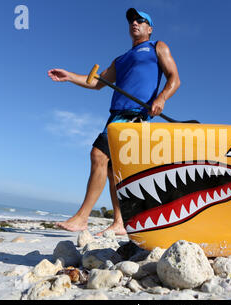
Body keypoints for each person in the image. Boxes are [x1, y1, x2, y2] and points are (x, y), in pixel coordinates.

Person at [47, 8, 180, 236]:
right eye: (132, 20)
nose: (135, 23)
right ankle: (119, 222)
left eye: (141, 20)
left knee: (98, 154)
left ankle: (82, 217)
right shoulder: (120, 60)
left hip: (136, 115)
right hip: (116, 115)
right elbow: (97, 83)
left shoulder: (157, 46)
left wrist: (161, 98)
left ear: (149, 28)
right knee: (112, 171)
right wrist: (69, 76)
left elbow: (174, 79)